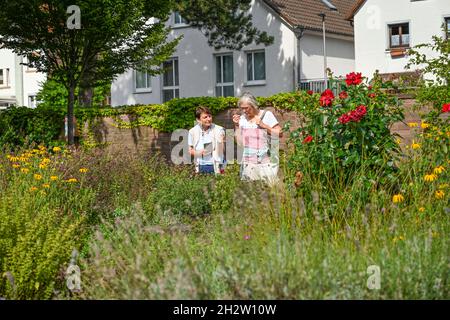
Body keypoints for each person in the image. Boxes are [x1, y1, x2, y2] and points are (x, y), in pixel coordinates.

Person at [232, 92, 282, 184]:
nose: (244, 111)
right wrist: (237, 126)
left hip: (266, 162)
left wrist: (264, 126)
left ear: (254, 105)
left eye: (246, 108)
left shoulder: (267, 115)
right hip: (249, 163)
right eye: (242, 109)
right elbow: (239, 143)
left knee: (269, 189)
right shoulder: (242, 119)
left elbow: (280, 133)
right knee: (252, 192)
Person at [188, 106, 225, 174]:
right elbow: (190, 150)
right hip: (200, 166)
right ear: (198, 119)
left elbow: (221, 150)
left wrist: (220, 141)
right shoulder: (192, 131)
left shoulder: (219, 129)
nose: (208, 119)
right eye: (205, 117)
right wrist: (199, 153)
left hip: (216, 165)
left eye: (209, 116)